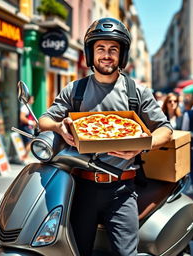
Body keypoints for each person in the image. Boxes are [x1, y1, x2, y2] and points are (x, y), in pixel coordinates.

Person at [39, 18, 172, 256]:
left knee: (125, 254)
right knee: (76, 252)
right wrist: (60, 127)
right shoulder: (75, 89)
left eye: (113, 49)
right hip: (80, 187)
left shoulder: (137, 92)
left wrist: (142, 145)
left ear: (122, 55)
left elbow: (165, 129)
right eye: (100, 48)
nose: (107, 55)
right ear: (91, 53)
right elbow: (43, 120)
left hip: (122, 189)